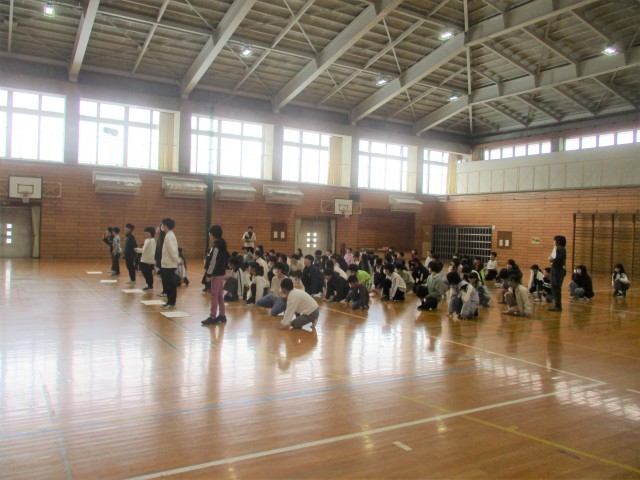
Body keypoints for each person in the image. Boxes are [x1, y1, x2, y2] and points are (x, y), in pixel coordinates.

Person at [202, 225, 229, 325]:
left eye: (210, 233)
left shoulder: (217, 245)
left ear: (213, 234)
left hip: (216, 273)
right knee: (220, 295)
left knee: (214, 294)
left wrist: (208, 274)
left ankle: (212, 317)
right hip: (220, 272)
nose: (209, 235)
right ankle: (222, 315)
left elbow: (213, 260)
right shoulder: (221, 243)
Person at [160, 218, 180, 310]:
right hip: (167, 264)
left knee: (171, 285)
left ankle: (172, 303)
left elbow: (172, 251)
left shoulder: (169, 236)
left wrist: (177, 261)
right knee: (168, 285)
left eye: (162, 225)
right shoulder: (168, 235)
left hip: (170, 265)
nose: (161, 226)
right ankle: (169, 302)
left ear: (165, 226)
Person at [134, 226, 156, 291]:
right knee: (144, 273)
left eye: (147, 233)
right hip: (143, 259)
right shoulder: (146, 240)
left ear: (151, 233)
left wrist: (151, 261)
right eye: (145, 233)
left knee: (148, 273)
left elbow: (152, 252)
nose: (145, 234)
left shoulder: (152, 240)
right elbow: (144, 250)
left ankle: (150, 286)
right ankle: (148, 285)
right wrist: (138, 250)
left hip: (148, 261)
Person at [549, 235, 567, 311]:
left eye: (554, 240)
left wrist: (551, 260)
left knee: (556, 287)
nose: (554, 241)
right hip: (558, 269)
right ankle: (557, 304)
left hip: (557, 270)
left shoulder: (559, 248)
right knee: (556, 287)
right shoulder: (562, 248)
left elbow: (558, 260)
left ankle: (558, 305)